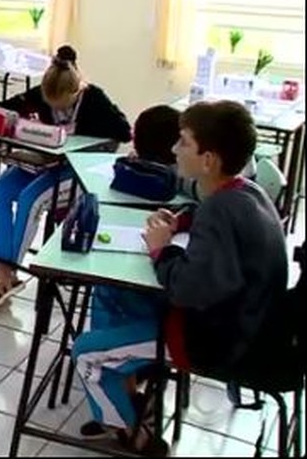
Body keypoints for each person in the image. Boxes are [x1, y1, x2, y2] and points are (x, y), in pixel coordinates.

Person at [71, 101, 288, 456]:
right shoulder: (247, 191)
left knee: (84, 353)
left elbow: (187, 288)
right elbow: (205, 217)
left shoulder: (222, 210)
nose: (174, 149)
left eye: (183, 142)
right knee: (109, 291)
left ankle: (132, 432)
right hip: (239, 322)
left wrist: (161, 250)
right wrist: (181, 221)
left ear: (209, 159)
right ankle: (127, 388)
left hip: (211, 340)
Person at [0, 45, 131, 312]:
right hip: (43, 163)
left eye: (59, 105)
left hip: (77, 171)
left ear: (76, 92)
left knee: (30, 200)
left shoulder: (94, 99)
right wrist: (17, 122)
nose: (52, 108)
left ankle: (4, 275)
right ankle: (5, 271)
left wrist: (75, 135)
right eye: (48, 103)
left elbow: (123, 132)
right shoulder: (41, 93)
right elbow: (0, 109)